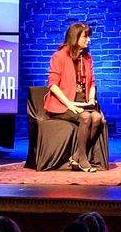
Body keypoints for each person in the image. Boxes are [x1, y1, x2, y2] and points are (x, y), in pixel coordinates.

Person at [43, 21, 107, 172]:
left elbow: (91, 82)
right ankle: (83, 160)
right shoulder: (59, 56)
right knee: (85, 117)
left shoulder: (87, 58)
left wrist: (91, 99)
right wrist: (69, 105)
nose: (88, 40)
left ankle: (76, 156)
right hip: (62, 103)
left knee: (97, 118)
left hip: (82, 101)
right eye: (85, 37)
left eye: (88, 37)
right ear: (74, 37)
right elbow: (52, 84)